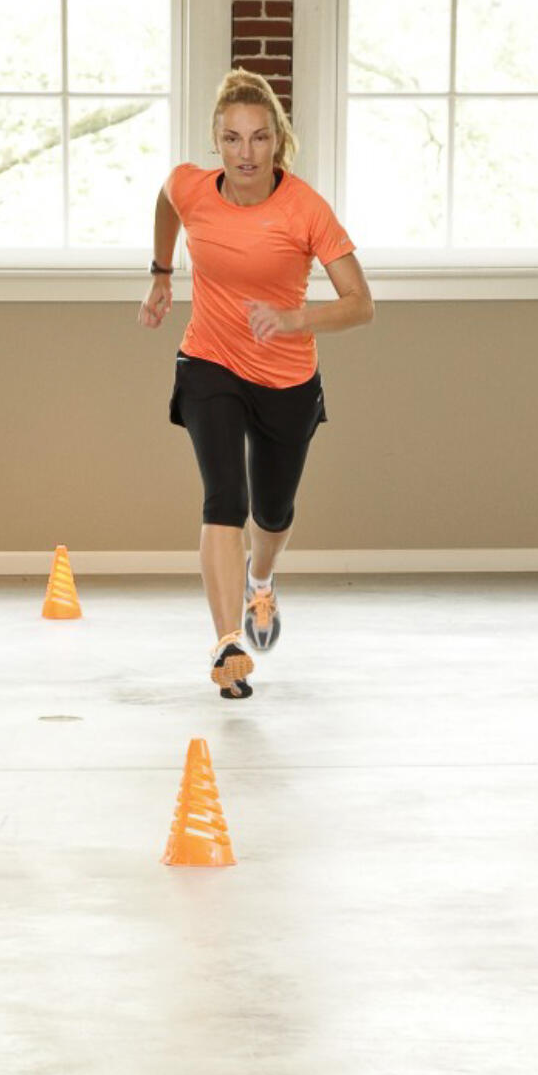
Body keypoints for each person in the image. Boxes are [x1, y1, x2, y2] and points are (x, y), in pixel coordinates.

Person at [138, 68, 374, 698]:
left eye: (260, 138)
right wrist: (162, 272)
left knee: (272, 512)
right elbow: (167, 198)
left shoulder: (304, 208)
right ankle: (225, 644)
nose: (246, 153)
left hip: (286, 376)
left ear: (278, 141)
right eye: (233, 138)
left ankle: (260, 584)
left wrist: (296, 319)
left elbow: (361, 303)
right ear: (216, 141)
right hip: (210, 360)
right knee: (225, 499)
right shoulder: (193, 187)